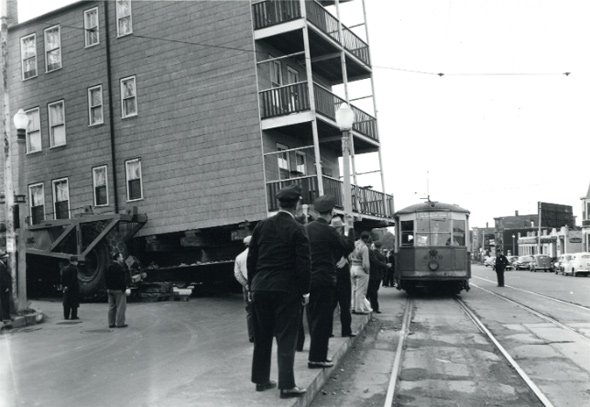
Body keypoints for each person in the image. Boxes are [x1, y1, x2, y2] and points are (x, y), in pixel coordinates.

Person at [247, 184, 311, 399]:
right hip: (286, 289)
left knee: (262, 336)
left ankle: (261, 380)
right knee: (286, 336)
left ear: (279, 204)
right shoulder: (297, 229)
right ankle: (287, 385)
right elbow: (303, 264)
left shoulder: (261, 226)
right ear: (297, 205)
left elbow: (251, 259)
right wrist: (304, 291)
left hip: (260, 287)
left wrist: (251, 286)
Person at [306, 196, 354, 369]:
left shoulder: (306, 229)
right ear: (332, 212)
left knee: (314, 318)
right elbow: (348, 246)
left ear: (316, 211)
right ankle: (317, 358)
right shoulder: (329, 231)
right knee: (323, 321)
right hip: (325, 279)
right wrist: (349, 228)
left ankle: (316, 356)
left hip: (309, 279)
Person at [329, 216, 356, 338]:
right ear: (340, 228)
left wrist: (345, 257)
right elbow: (351, 246)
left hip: (330, 273)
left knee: (330, 305)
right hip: (342, 273)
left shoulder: (327, 239)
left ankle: (328, 331)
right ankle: (346, 331)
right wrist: (351, 228)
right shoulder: (343, 239)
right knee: (345, 304)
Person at [234, 235, 254, 343]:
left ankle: (252, 335)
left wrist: (246, 284)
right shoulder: (260, 254)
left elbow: (237, 274)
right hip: (259, 285)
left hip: (247, 287)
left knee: (250, 311)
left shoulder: (239, 257)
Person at [105, 252, 130, 328]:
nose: (122, 258)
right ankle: (120, 323)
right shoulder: (120, 268)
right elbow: (122, 281)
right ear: (117, 258)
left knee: (111, 307)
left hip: (110, 290)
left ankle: (111, 323)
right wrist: (124, 289)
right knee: (121, 307)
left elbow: (106, 278)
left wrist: (107, 288)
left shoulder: (109, 267)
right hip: (119, 291)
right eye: (121, 257)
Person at [350, 231, 372, 314]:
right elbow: (365, 263)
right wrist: (367, 271)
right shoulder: (364, 247)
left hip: (352, 267)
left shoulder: (354, 244)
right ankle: (359, 309)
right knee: (361, 290)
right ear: (366, 238)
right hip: (360, 269)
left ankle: (352, 307)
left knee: (353, 289)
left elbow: (349, 256)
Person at [367, 241, 390, 314]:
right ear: (380, 247)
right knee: (374, 292)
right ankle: (375, 308)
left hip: (370, 275)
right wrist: (384, 277)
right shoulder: (381, 256)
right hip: (378, 276)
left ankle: (368, 306)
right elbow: (383, 267)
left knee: (368, 292)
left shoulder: (370, 253)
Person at [0, 256, 11, 322]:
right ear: (2, 258)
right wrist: (6, 287)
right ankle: (5, 317)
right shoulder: (1, 266)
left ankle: (5, 317)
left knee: (4, 302)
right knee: (4, 302)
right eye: (5, 258)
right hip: (3, 288)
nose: (6, 259)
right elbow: (3, 278)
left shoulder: (2, 265)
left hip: (3, 287)